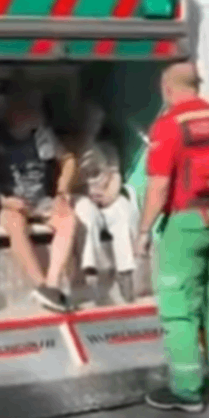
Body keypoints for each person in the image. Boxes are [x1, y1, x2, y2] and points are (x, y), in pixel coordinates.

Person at [136, 62, 209, 413]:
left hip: (186, 224)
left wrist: (144, 230)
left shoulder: (169, 125)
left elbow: (159, 187)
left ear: (167, 88)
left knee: (180, 309)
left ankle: (187, 392)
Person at [0, 82, 79, 312]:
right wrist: (5, 200)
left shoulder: (42, 134)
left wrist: (62, 192)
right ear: (14, 109)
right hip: (6, 202)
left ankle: (52, 285)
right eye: (30, 107)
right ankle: (39, 284)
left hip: (39, 200)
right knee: (14, 221)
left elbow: (69, 160)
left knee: (68, 218)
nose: (36, 113)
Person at [71, 101, 140, 303]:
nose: (93, 125)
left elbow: (115, 175)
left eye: (96, 122)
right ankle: (90, 270)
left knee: (122, 211)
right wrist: (88, 194)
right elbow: (69, 180)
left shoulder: (108, 148)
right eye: (89, 121)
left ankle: (125, 272)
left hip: (105, 196)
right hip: (82, 197)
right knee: (89, 216)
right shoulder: (71, 149)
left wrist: (109, 196)